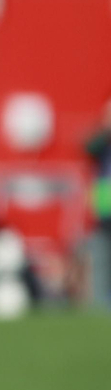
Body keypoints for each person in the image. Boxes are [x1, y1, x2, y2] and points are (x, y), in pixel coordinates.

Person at [85, 101, 111, 310]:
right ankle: (102, 304)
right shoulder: (102, 146)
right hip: (105, 212)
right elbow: (87, 146)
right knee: (102, 260)